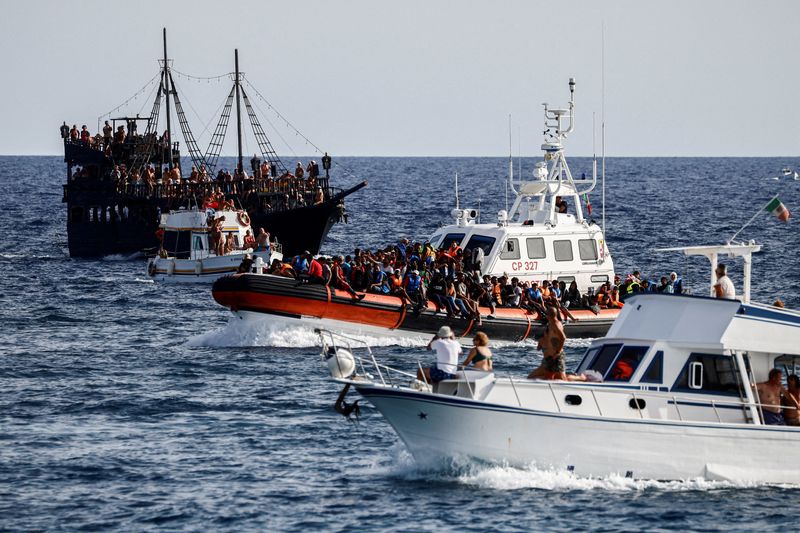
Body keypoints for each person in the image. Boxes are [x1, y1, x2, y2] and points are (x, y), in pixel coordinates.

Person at [527, 308, 585, 381]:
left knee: (562, 379)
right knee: (546, 378)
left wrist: (557, 352)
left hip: (556, 356)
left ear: (549, 315)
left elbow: (563, 337)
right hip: (549, 357)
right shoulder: (551, 324)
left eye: (546, 314)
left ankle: (581, 378)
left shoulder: (555, 324)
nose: (546, 316)